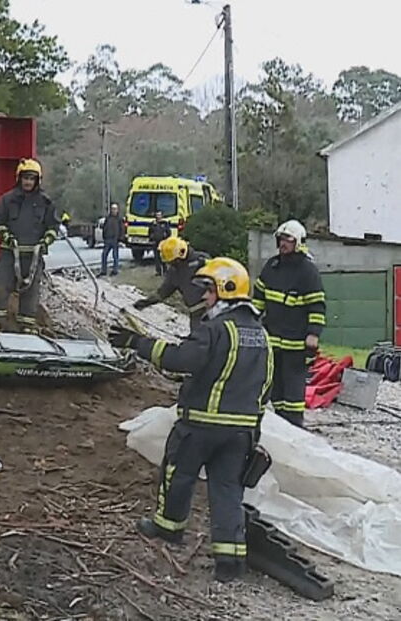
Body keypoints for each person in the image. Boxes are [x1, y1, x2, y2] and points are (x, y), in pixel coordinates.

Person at [108, 257, 273, 583]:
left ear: (226, 291)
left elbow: (180, 361)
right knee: (227, 490)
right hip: (241, 432)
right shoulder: (261, 335)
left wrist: (137, 343)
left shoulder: (214, 329)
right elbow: (266, 386)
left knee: (177, 472)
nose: (205, 298)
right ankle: (229, 561)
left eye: (210, 291)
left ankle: (168, 527)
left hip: (200, 425)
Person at [253, 219, 326, 428]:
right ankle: (280, 423)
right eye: (281, 239)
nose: (283, 243)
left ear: (299, 242)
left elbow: (317, 306)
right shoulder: (272, 267)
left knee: (293, 388)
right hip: (272, 340)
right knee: (274, 385)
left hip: (296, 343)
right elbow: (258, 299)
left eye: (288, 240)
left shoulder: (307, 271)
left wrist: (313, 334)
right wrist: (250, 320)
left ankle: (294, 426)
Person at [0, 158, 59, 335]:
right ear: (19, 179)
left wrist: (46, 241)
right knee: (0, 286)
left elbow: (53, 226)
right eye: (25, 178)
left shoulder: (45, 202)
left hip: (33, 256)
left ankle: (26, 325)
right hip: (10, 254)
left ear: (37, 180)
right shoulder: (7, 200)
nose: (28, 182)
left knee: (31, 292)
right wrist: (6, 236)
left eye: (31, 178)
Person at [133, 237, 211, 332]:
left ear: (179, 256)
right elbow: (163, 292)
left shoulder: (202, 261)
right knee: (198, 339)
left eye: (173, 262)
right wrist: (146, 302)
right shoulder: (174, 272)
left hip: (213, 309)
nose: (171, 264)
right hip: (196, 312)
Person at [100, 203, 123, 276]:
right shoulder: (108, 218)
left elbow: (122, 229)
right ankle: (103, 271)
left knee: (115, 256)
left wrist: (120, 239)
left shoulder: (119, 219)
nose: (114, 210)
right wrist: (104, 236)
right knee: (104, 255)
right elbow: (104, 227)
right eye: (112, 209)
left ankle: (115, 270)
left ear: (117, 210)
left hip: (115, 239)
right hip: (107, 239)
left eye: (115, 209)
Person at [149, 211, 172, 276]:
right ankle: (158, 271)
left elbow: (169, 232)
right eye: (157, 215)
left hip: (163, 242)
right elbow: (150, 232)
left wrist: (166, 237)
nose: (158, 216)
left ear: (162, 216)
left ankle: (165, 270)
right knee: (156, 258)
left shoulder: (165, 223)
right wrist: (151, 237)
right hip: (155, 242)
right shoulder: (153, 224)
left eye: (159, 215)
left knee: (163, 257)